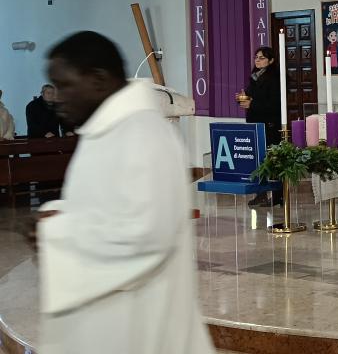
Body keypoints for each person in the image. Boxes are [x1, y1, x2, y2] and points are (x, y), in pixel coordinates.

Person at [30, 31, 214, 354]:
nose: (57, 98)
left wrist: (58, 231)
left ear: (98, 80)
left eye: (65, 85)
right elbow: (109, 208)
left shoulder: (143, 134)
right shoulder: (108, 129)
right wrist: (59, 214)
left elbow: (146, 235)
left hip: (142, 327)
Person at [239, 46, 283, 207]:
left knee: (273, 161)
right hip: (256, 124)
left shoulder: (275, 79)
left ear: (271, 61)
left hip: (269, 125)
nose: (257, 60)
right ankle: (261, 193)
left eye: (262, 57)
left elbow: (274, 104)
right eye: (256, 57)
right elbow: (252, 98)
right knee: (258, 161)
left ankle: (278, 196)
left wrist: (252, 103)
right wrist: (243, 98)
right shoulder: (255, 77)